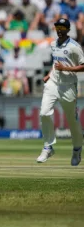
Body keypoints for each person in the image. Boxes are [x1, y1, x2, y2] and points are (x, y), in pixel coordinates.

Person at [36, 18, 83, 166]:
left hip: (68, 86)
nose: (59, 29)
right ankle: (48, 146)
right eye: (57, 27)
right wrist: (50, 74)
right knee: (44, 112)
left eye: (62, 27)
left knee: (72, 120)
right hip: (53, 83)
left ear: (68, 30)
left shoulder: (75, 47)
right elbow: (56, 63)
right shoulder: (53, 44)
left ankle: (77, 149)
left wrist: (66, 69)